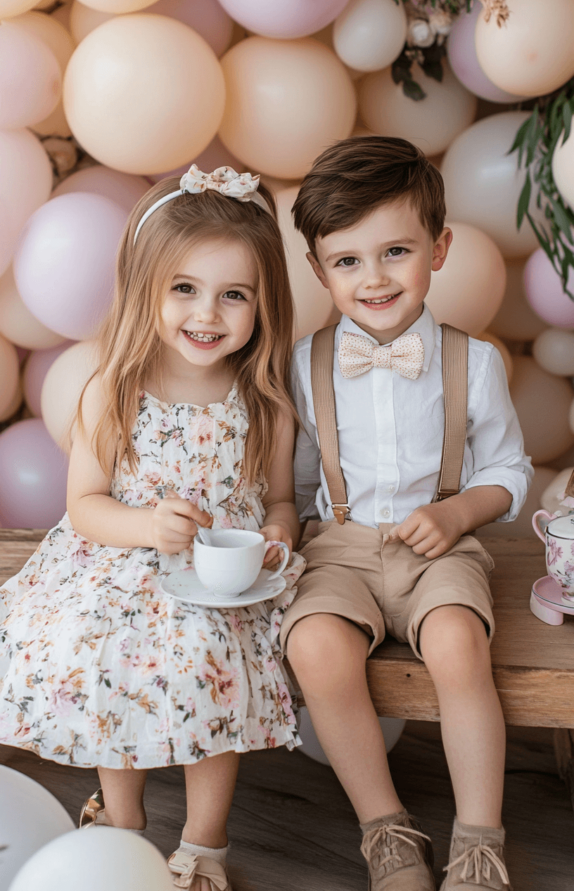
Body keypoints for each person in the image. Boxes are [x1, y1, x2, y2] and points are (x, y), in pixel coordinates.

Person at [0, 165, 305, 891]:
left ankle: (205, 844)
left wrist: (278, 534)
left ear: (264, 303)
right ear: (147, 287)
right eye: (185, 289)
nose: (208, 314)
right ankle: (123, 823)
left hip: (218, 579)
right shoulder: (114, 387)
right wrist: (145, 526)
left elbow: (283, 501)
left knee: (210, 660)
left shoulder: (263, 399)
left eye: (235, 295)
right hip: (120, 557)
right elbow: (85, 505)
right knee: (106, 651)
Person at [282, 137, 533, 891]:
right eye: (348, 260)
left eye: (396, 250)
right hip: (340, 548)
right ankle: (384, 831)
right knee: (317, 648)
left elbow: (509, 470)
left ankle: (479, 840)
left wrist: (458, 517)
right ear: (320, 269)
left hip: (441, 551)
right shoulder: (303, 363)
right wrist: (278, 539)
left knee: (458, 643)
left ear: (440, 248)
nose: (375, 276)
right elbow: (296, 486)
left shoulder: (475, 361)